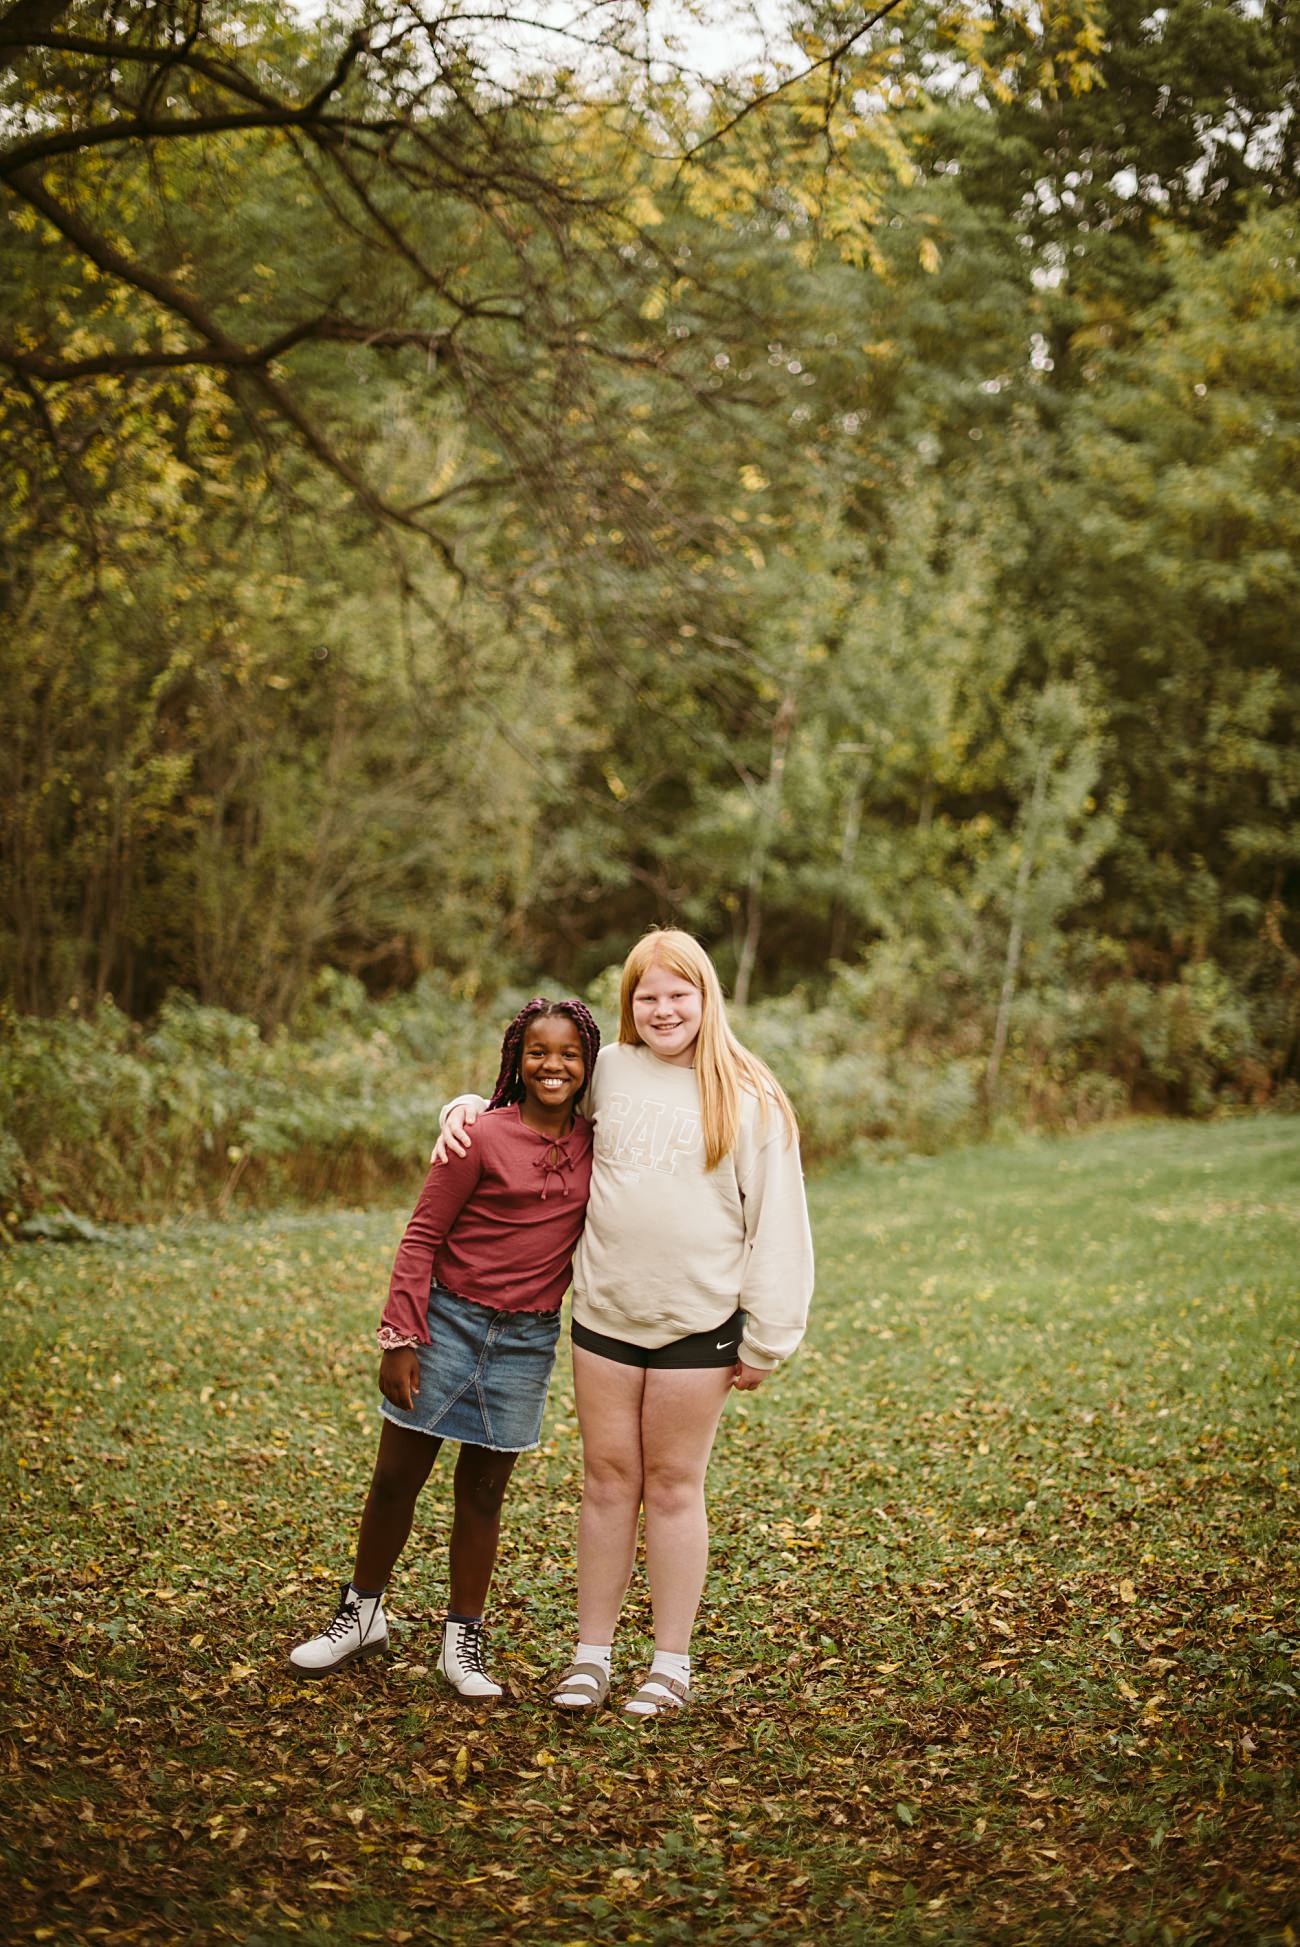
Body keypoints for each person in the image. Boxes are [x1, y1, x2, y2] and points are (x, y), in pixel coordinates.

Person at [435, 929, 813, 1716]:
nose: (664, 1007)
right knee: (608, 1484)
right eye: (648, 995)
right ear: (629, 1005)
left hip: (697, 1326)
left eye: (680, 993)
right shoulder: (608, 1072)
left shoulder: (748, 1095)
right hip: (606, 1315)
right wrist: (467, 1104)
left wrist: (768, 1333)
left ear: (707, 998)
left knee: (674, 1487)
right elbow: (524, 1107)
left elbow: (778, 1222)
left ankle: (668, 1664)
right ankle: (591, 1655)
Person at [288, 997, 601, 1698]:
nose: (553, 1064)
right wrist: (401, 1336)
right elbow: (422, 1235)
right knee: (397, 1477)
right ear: (515, 1059)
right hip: (449, 1324)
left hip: (527, 1339)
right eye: (538, 1052)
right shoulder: (480, 1137)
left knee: (483, 1496)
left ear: (588, 1065)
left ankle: (463, 1640)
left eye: (570, 1054)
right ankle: (360, 1613)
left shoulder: (595, 1140)